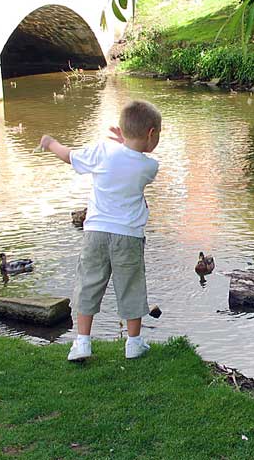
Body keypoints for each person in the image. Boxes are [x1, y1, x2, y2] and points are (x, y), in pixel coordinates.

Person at [38, 99, 161, 362]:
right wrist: (129, 143)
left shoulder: (103, 151)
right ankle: (134, 343)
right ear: (151, 133)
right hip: (128, 235)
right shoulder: (149, 167)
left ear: (122, 129)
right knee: (130, 285)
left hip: (95, 232)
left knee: (89, 284)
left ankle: (82, 342)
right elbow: (134, 158)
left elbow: (68, 155)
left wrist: (50, 143)